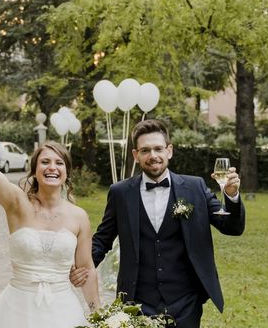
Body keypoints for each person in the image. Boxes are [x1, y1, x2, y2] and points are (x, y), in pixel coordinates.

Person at [70, 119, 245, 328]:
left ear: (169, 151)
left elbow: (232, 227)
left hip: (185, 301)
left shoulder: (194, 187)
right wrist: (83, 266)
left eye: (158, 149)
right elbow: (103, 239)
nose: (153, 156)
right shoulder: (120, 193)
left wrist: (231, 196)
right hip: (136, 301)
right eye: (145, 150)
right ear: (136, 155)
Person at [0, 111, 100, 328]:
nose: (52, 167)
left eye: (59, 163)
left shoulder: (78, 216)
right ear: (35, 170)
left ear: (66, 172)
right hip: (17, 309)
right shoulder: (17, 204)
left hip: (63, 309)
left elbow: (87, 270)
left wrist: (98, 315)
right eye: (45, 162)